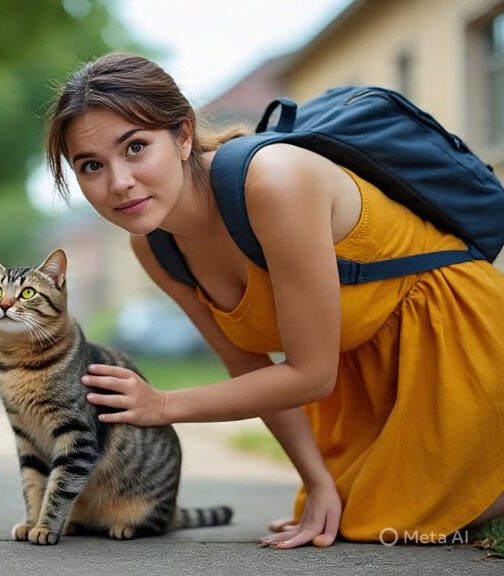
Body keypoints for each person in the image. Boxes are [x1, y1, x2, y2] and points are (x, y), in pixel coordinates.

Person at [44, 52, 504, 549]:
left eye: (135, 147)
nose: (119, 183)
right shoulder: (154, 244)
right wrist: (318, 480)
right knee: (349, 516)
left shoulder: (274, 182)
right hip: (366, 380)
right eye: (91, 166)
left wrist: (163, 404)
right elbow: (247, 365)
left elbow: (311, 373)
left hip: (455, 341)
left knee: (410, 521)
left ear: (182, 136)